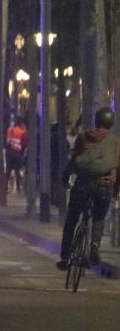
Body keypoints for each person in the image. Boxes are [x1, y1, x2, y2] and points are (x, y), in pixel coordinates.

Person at [57, 107, 120, 270]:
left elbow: (74, 160)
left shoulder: (83, 136)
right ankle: (94, 245)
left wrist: (66, 177)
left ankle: (65, 257)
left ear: (96, 121)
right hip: (104, 185)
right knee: (99, 217)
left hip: (83, 185)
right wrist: (116, 191)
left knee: (72, 219)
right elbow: (117, 168)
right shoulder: (115, 142)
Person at [5, 116, 28, 192]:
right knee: (17, 171)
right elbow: (24, 144)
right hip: (17, 153)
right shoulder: (22, 132)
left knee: (8, 170)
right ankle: (18, 187)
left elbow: (7, 141)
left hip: (9, 152)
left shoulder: (9, 129)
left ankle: (5, 187)